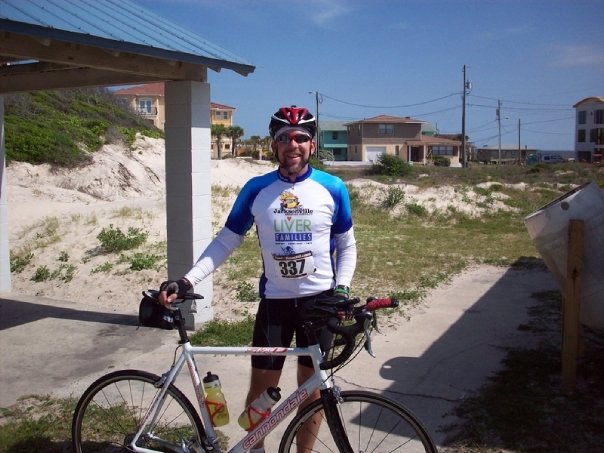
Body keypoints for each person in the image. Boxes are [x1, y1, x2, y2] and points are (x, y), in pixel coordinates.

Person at [159, 105, 357, 452]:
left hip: (320, 303)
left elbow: (346, 244)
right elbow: (226, 240)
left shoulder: (333, 187)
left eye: (300, 138)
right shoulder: (257, 189)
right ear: (273, 145)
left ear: (312, 145)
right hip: (275, 305)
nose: (292, 144)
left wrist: (342, 289)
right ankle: (256, 449)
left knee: (312, 389)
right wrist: (188, 281)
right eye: (284, 138)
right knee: (262, 389)